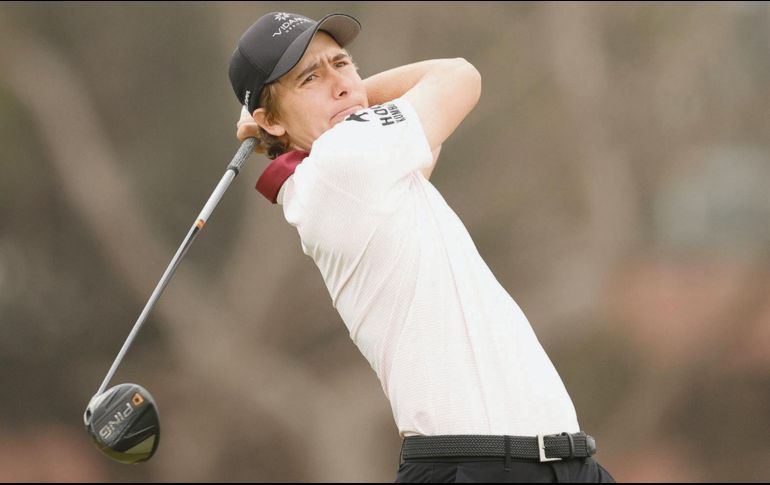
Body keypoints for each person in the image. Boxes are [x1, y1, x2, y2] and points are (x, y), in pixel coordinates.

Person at [228, 11, 615, 483]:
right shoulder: (342, 163)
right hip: (480, 467)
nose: (342, 84)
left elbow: (413, 130)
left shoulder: (353, 173)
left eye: (342, 63)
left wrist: (318, 103)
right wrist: (356, 93)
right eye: (310, 77)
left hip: (559, 463)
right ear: (269, 119)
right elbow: (458, 75)